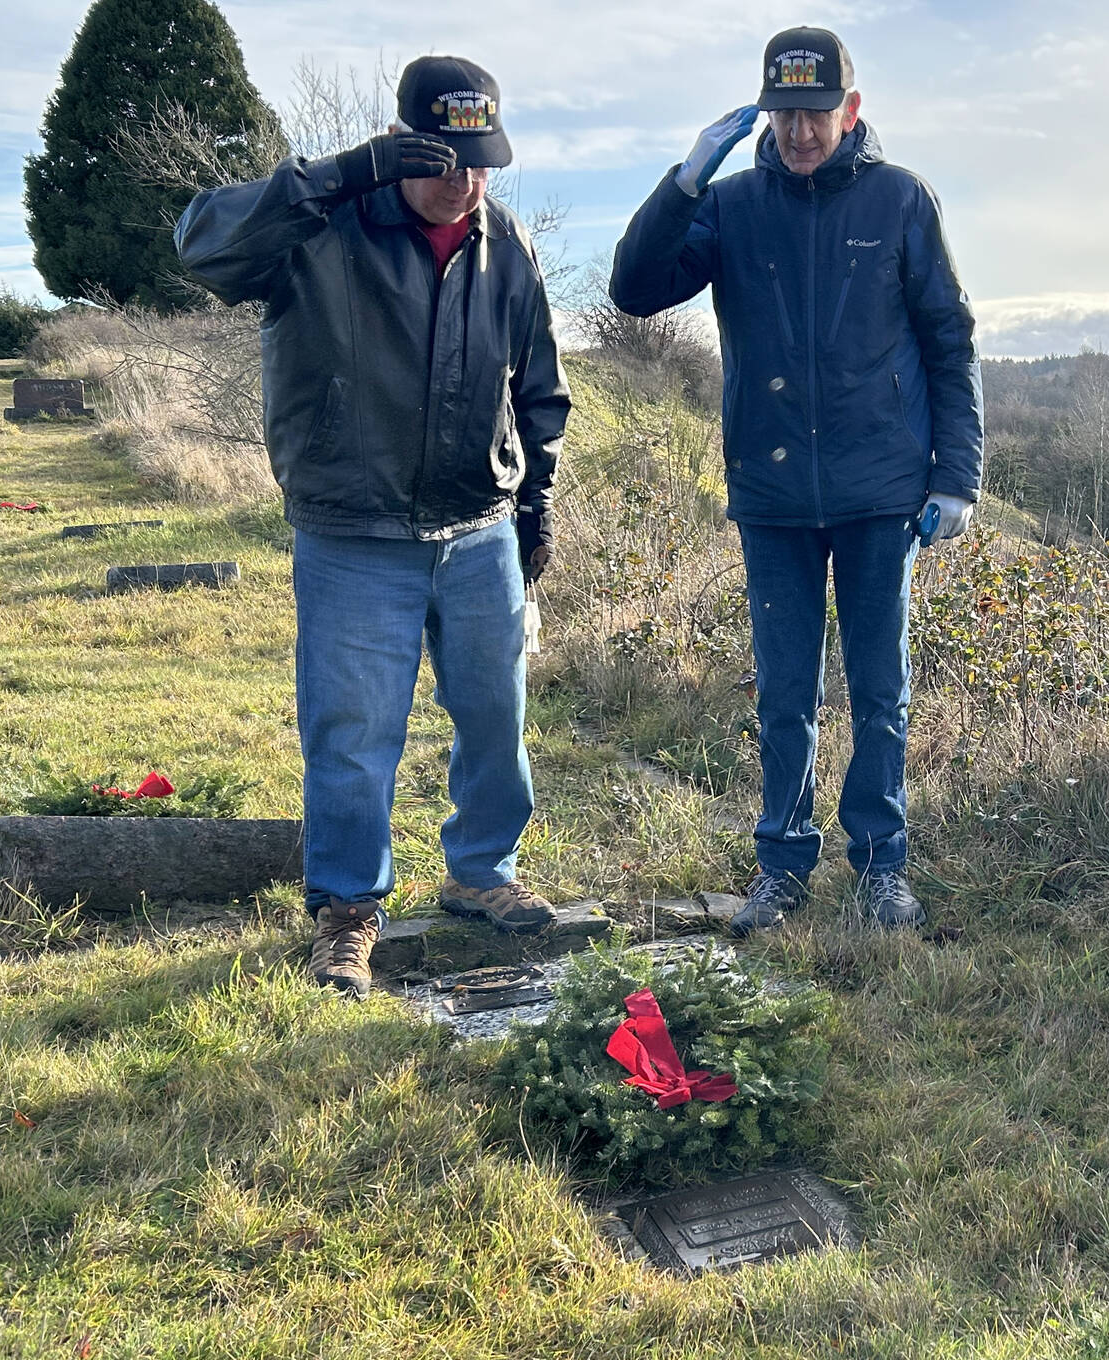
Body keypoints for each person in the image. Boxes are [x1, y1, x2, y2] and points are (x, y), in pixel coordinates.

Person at [175, 54, 573, 999]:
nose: (464, 181)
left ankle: (483, 874)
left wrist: (537, 498)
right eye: (443, 159)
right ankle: (348, 911)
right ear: (399, 150)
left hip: (478, 529)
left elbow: (538, 384)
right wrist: (335, 175)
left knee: (494, 715)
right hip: (353, 534)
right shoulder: (320, 227)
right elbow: (201, 243)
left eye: (480, 161)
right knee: (352, 733)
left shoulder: (502, 241)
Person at [611, 26, 984, 937]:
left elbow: (949, 338)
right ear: (765, 111)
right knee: (785, 692)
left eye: (817, 113)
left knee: (880, 690)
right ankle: (782, 862)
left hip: (881, 492)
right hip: (773, 495)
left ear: (849, 110)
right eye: (784, 112)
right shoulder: (731, 205)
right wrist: (686, 177)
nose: (801, 131)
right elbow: (635, 287)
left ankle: (881, 867)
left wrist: (958, 477)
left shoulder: (902, 200)